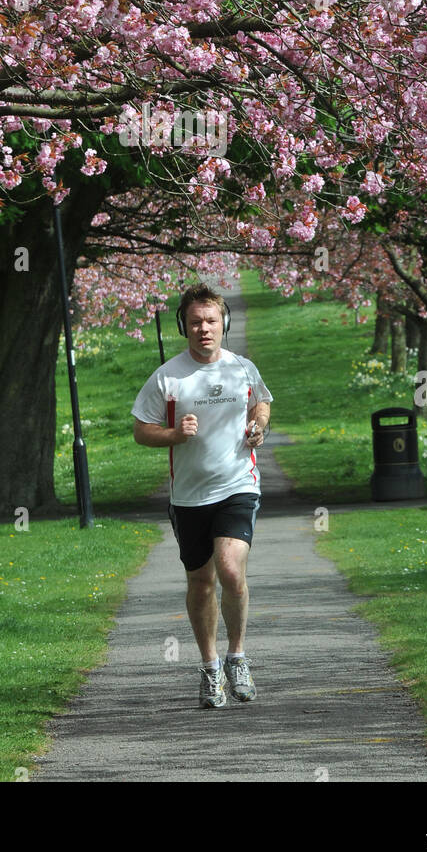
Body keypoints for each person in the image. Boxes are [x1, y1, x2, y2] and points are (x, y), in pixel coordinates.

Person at [131, 283, 272, 708]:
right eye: (195, 322)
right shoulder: (168, 377)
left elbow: (261, 402)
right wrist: (173, 434)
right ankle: (210, 668)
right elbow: (141, 430)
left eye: (211, 321)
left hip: (237, 486)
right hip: (189, 497)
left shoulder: (241, 368)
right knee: (201, 580)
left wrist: (258, 426)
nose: (204, 329)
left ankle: (238, 656)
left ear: (223, 323)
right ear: (184, 327)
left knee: (230, 570)